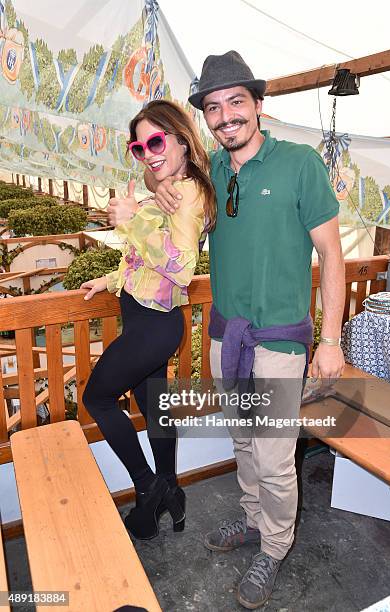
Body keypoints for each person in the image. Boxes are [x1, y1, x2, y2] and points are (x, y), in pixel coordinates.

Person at [110, 51, 345, 609]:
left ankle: (275, 546)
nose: (225, 116)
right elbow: (162, 162)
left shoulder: (300, 164)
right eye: (213, 108)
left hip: (282, 340)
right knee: (241, 438)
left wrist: (330, 340)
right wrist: (155, 182)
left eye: (236, 102)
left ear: (258, 105)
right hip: (225, 336)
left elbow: (332, 257)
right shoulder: (211, 171)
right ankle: (251, 521)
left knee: (273, 453)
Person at [81, 99, 216, 541]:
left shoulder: (189, 191)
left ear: (181, 139)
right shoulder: (166, 186)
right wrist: (110, 278)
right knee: (157, 412)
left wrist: (132, 219)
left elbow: (178, 265)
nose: (149, 152)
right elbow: (143, 258)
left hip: (156, 326)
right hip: (145, 318)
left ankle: (148, 484)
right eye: (140, 147)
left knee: (97, 398)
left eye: (156, 140)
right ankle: (172, 494)